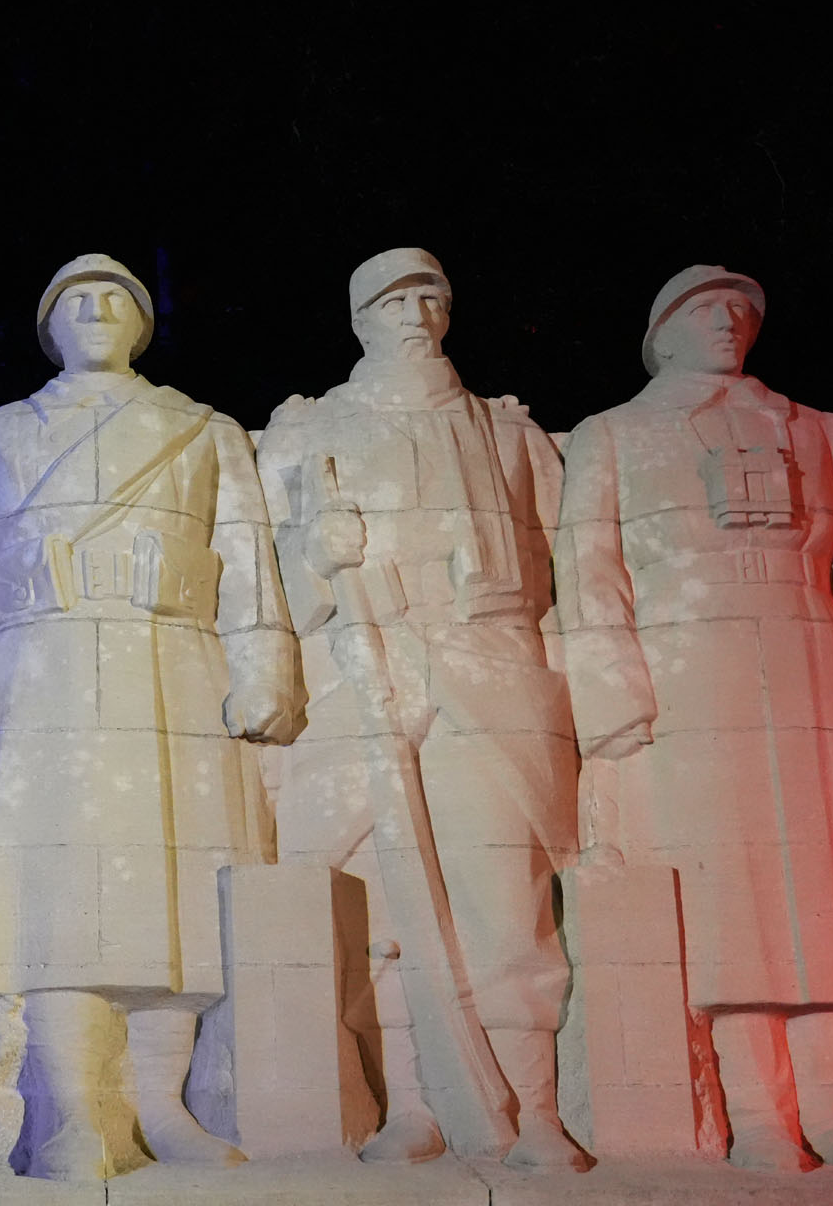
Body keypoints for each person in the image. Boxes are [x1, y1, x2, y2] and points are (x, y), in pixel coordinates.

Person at [0, 254, 301, 1181]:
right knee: (54, 895)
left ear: (141, 323)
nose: (95, 311)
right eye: (75, 301)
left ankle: (162, 1105)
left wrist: (267, 670)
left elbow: (248, 557)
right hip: (39, 663)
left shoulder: (202, 431)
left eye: (114, 299)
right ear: (49, 327)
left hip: (172, 663)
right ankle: (73, 1113)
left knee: (173, 890)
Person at [555, 265, 833, 1172]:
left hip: (808, 656)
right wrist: (616, 698)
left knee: (832, 896)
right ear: (660, 334)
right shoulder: (613, 435)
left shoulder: (814, 428)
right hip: (692, 675)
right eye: (706, 310)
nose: (729, 323)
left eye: (741, 310)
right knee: (730, 902)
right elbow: (591, 572)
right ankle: (761, 1117)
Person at [256, 247, 588, 1171]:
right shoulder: (306, 431)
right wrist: (314, 556)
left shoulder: (510, 435)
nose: (415, 311)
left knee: (508, 911)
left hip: (491, 681)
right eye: (393, 298)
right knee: (387, 919)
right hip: (364, 678)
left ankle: (534, 1109)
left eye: (430, 294)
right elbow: (256, 586)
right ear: (360, 318)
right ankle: (417, 1105)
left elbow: (564, 580)